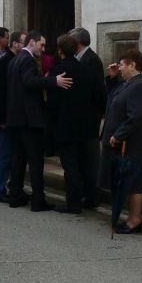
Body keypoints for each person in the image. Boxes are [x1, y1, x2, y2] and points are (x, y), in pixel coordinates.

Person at [6, 31, 72, 211]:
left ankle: (15, 195)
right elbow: (29, 81)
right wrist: (53, 81)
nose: (43, 49)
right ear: (32, 42)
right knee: (35, 160)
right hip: (29, 119)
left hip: (18, 118)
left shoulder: (16, 59)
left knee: (19, 158)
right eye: (41, 45)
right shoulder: (27, 59)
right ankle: (37, 200)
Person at [100, 49, 142, 234]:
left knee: (135, 183)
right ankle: (132, 218)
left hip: (133, 143)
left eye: (122, 65)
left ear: (133, 65)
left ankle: (135, 220)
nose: (120, 67)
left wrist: (119, 134)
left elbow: (135, 117)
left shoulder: (140, 86)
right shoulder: (129, 83)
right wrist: (113, 77)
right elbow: (113, 98)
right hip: (125, 142)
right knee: (128, 182)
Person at [48, 34, 93, 214]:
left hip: (65, 125)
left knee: (70, 166)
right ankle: (83, 197)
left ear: (60, 50)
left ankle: (73, 203)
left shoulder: (58, 71)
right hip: (85, 126)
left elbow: (52, 103)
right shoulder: (85, 69)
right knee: (82, 164)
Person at [68, 27, 107, 208]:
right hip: (81, 118)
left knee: (91, 160)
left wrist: (96, 114)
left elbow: (98, 90)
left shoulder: (91, 60)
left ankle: (93, 196)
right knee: (83, 158)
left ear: (78, 42)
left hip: (90, 118)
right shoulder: (79, 58)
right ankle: (85, 193)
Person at [0, 31, 26, 203]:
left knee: (11, 154)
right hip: (6, 118)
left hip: (14, 117)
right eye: (24, 42)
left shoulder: (16, 60)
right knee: (4, 154)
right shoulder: (4, 62)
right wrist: (1, 118)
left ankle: (12, 187)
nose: (25, 46)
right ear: (15, 44)